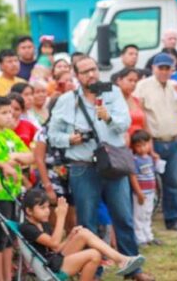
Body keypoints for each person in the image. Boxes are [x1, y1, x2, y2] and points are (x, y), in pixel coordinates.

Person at [47, 57, 153, 281]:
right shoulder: (67, 100)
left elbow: (124, 124)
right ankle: (92, 271)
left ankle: (133, 270)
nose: (91, 75)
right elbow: (52, 135)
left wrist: (109, 117)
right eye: (85, 72)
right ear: (77, 76)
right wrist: (70, 138)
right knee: (87, 221)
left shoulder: (112, 93)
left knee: (123, 217)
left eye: (94, 69)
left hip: (112, 164)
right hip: (82, 167)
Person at [133, 53, 177, 233]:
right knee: (147, 184)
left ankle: (173, 219)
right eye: (160, 68)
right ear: (153, 68)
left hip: (173, 142)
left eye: (166, 68)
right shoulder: (143, 86)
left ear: (172, 70)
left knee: (172, 183)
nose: (163, 72)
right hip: (151, 142)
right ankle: (143, 224)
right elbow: (136, 110)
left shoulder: (176, 87)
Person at [20, 188, 145, 280]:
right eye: (42, 208)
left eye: (48, 207)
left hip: (54, 260)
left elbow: (55, 248)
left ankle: (121, 259)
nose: (47, 211)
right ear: (29, 211)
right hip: (48, 267)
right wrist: (61, 216)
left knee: (82, 233)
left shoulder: (43, 224)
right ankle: (121, 260)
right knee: (94, 254)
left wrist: (70, 237)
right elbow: (54, 242)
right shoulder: (27, 228)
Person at [0, 96, 35, 281]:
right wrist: (16, 158)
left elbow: (30, 156)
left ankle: (8, 277)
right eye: (3, 113)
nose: (8, 117)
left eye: (10, 112)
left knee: (10, 239)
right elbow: (3, 160)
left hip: (13, 193)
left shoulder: (10, 134)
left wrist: (16, 157)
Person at [128, 131, 157, 246]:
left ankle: (148, 236)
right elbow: (133, 177)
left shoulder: (150, 158)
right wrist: (138, 192)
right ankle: (140, 238)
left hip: (150, 192)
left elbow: (153, 174)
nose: (142, 149)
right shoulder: (135, 160)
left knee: (147, 214)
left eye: (144, 145)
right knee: (139, 216)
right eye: (138, 146)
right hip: (141, 193)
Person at [113, 67, 146, 137]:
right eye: (130, 80)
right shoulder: (112, 101)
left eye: (135, 81)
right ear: (119, 81)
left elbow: (144, 125)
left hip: (139, 143)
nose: (133, 84)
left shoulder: (137, 101)